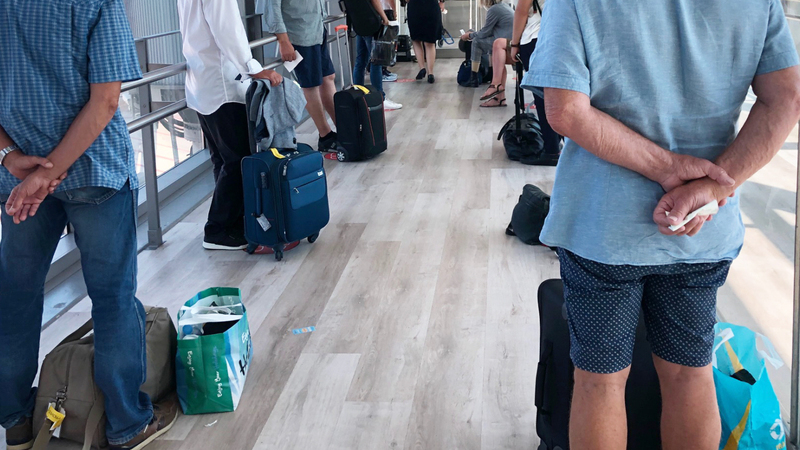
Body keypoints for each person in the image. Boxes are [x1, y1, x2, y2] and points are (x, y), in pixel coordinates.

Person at [523, 0, 800, 448]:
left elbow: (566, 110)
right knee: (690, 374)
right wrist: (711, 187)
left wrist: (668, 169)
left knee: (599, 381)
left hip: (603, 230)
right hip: (699, 230)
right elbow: (786, 98)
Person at [0, 0, 180, 448]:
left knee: (16, 299)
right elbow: (106, 101)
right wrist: (49, 173)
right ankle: (127, 423)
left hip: (19, 180)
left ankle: (16, 421)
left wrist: (10, 157)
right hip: (93, 171)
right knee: (113, 297)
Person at [178, 0, 283, 251]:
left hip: (203, 83)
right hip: (222, 85)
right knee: (238, 160)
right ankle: (218, 230)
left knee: (223, 160)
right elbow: (227, 31)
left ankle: (234, 223)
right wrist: (253, 69)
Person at [262, 0, 339, 151]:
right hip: (299, 34)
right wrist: (283, 40)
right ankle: (325, 136)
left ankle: (344, 129)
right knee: (310, 85)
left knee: (328, 78)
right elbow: (273, 7)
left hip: (317, 29)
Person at [509, 0, 559, 164]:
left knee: (543, 97)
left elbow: (522, 11)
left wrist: (514, 44)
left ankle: (551, 151)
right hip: (559, 37)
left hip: (536, 37)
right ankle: (559, 144)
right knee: (558, 95)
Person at [479, 0, 542, 107]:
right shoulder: (504, 6)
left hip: (533, 37)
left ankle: (495, 87)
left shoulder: (495, 9)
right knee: (498, 48)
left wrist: (515, 44)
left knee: (498, 46)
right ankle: (497, 92)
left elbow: (522, 12)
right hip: (547, 36)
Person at [353, 0, 404, 110]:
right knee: (377, 61)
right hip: (373, 20)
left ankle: (357, 97)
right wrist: (385, 17)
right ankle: (380, 99)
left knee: (361, 60)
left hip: (360, 21)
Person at [459, 0, 513, 94]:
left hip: (504, 43)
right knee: (489, 41)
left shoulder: (494, 9)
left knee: (476, 42)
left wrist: (469, 35)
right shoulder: (504, 6)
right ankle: (491, 72)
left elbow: (484, 33)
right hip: (509, 41)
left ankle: (474, 77)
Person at [407, 0, 444, 83]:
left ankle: (422, 68)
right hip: (431, 6)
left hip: (414, 7)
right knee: (430, 43)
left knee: (416, 40)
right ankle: (430, 73)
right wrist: (442, 2)